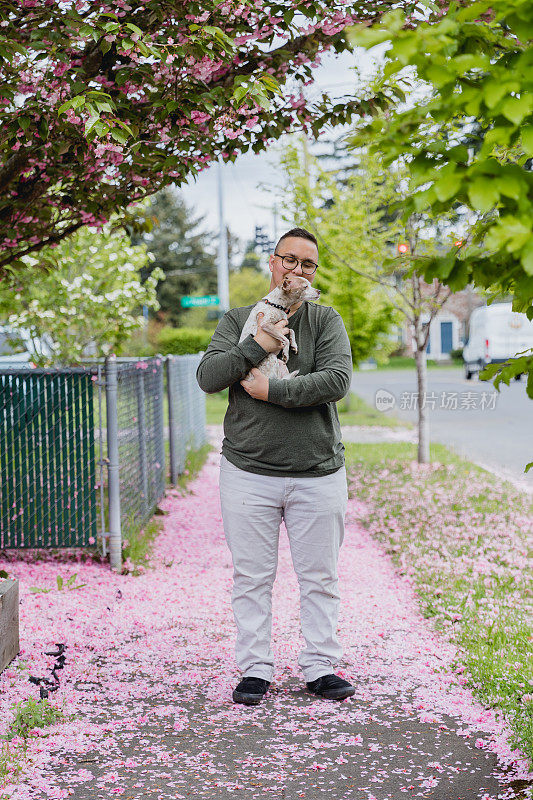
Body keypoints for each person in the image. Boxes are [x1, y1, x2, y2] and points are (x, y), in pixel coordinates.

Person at [196, 227, 355, 705]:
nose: (298, 271)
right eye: (291, 260)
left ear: (314, 273)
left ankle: (320, 666)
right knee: (251, 576)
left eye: (308, 264)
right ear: (273, 262)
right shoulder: (238, 319)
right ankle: (255, 669)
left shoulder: (326, 321)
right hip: (248, 472)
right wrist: (258, 344)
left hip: (317, 473)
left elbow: (337, 379)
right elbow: (209, 376)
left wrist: (274, 392)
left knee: (320, 576)